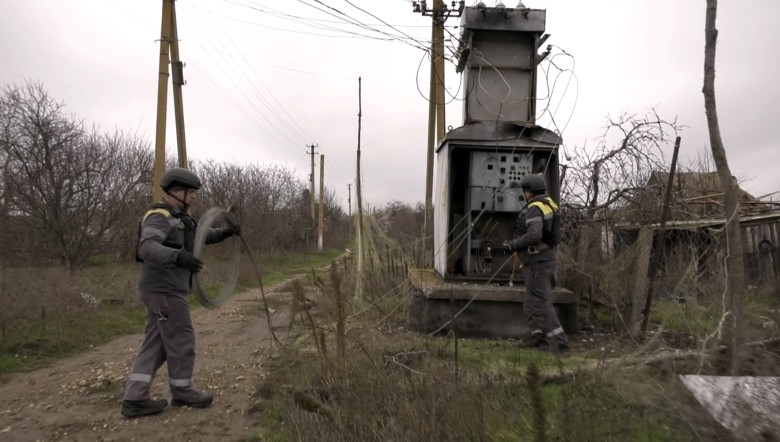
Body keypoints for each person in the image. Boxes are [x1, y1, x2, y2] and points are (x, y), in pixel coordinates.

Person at [120, 168, 240, 418]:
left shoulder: (180, 217)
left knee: (157, 343)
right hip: (164, 290)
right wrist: (178, 257)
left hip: (162, 290)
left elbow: (200, 238)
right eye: (191, 192)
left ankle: (135, 397)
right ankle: (183, 391)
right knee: (181, 339)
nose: (194, 197)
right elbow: (147, 247)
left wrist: (227, 233)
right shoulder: (160, 216)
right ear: (177, 191)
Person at [505, 174, 570, 353]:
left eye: (525, 190)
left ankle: (560, 343)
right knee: (532, 302)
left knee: (541, 303)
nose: (524, 193)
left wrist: (514, 244)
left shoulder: (534, 208)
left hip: (538, 263)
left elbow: (534, 235)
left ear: (530, 191)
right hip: (544, 260)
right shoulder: (549, 204)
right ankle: (539, 338)